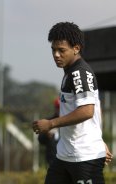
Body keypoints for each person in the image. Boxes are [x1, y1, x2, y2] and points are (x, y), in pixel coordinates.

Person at [32, 22, 113, 184]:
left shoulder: (79, 73)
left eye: (61, 50)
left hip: (84, 157)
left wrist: (51, 123)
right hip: (64, 156)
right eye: (53, 50)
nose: (56, 54)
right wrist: (100, 139)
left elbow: (87, 111)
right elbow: (96, 108)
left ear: (76, 48)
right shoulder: (70, 72)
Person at [38, 98, 60, 166]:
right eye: (57, 107)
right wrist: (46, 135)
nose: (59, 109)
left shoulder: (71, 121)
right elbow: (40, 139)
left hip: (68, 157)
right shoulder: (48, 121)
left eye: (60, 107)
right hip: (52, 159)